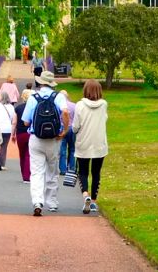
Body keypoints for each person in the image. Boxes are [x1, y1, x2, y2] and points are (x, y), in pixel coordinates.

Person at [21, 71, 70, 216]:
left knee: (36, 172)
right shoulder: (59, 96)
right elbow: (65, 113)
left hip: (36, 138)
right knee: (52, 170)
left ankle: (37, 201)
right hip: (54, 139)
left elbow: (25, 121)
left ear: (41, 82)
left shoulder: (33, 97)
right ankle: (52, 202)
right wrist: (64, 130)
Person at [72, 79, 109, 215]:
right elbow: (104, 119)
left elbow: (76, 126)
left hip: (84, 142)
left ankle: (85, 194)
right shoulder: (104, 104)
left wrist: (75, 131)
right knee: (96, 173)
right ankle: (93, 201)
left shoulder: (80, 105)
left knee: (83, 171)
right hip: (99, 143)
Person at [12, 89, 33, 183]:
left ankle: (24, 175)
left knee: (22, 154)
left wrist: (13, 134)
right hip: (31, 133)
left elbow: (14, 122)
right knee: (29, 154)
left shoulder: (18, 108)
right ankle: (28, 175)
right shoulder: (34, 107)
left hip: (20, 133)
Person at [0, 91, 14, 169]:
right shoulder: (11, 106)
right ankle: (2, 164)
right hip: (7, 128)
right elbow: (12, 118)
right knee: (4, 147)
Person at [58, 90, 77, 176]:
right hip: (72, 127)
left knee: (62, 149)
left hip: (62, 127)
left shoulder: (59, 106)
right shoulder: (74, 105)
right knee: (72, 148)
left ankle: (63, 169)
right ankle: (72, 168)